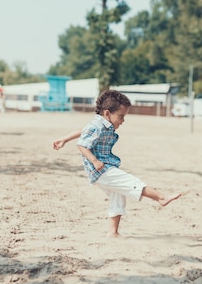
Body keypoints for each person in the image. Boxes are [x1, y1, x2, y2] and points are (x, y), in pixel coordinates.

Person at [53, 90, 181, 237]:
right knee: (130, 182)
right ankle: (161, 197)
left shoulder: (100, 124)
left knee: (118, 196)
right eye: (121, 116)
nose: (123, 120)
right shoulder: (97, 126)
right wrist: (94, 161)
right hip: (101, 170)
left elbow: (82, 131)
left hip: (105, 168)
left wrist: (64, 139)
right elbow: (82, 145)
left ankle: (112, 232)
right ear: (107, 114)